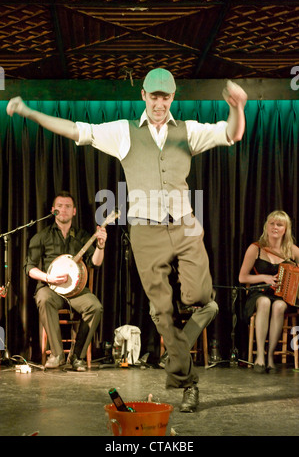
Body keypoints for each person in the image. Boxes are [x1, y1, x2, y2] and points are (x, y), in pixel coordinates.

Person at [7, 68, 247, 411]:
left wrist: (237, 107)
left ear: (172, 98)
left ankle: (176, 352)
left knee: (202, 299)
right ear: (144, 97)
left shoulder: (189, 131)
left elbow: (232, 134)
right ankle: (187, 382)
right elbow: (76, 129)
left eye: (165, 97)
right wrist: (30, 112)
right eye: (154, 96)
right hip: (146, 231)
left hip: (185, 225)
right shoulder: (123, 133)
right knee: (161, 311)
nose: (159, 103)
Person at [24, 191, 107, 372]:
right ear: (53, 210)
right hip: (51, 288)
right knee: (43, 298)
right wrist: (48, 277)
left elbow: (96, 263)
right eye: (60, 206)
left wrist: (100, 245)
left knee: (95, 306)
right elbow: (29, 268)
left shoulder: (83, 236)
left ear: (74, 211)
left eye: (68, 206)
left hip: (77, 291)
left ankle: (77, 356)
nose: (64, 210)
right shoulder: (42, 236)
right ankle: (57, 355)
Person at [239, 210, 299, 373]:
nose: (274, 227)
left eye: (279, 225)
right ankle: (259, 356)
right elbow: (242, 278)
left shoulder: (293, 250)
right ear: (266, 226)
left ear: (285, 229)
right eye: (271, 223)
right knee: (265, 302)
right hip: (259, 294)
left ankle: (271, 356)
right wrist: (264, 278)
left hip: (281, 296)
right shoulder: (256, 248)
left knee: (279, 306)